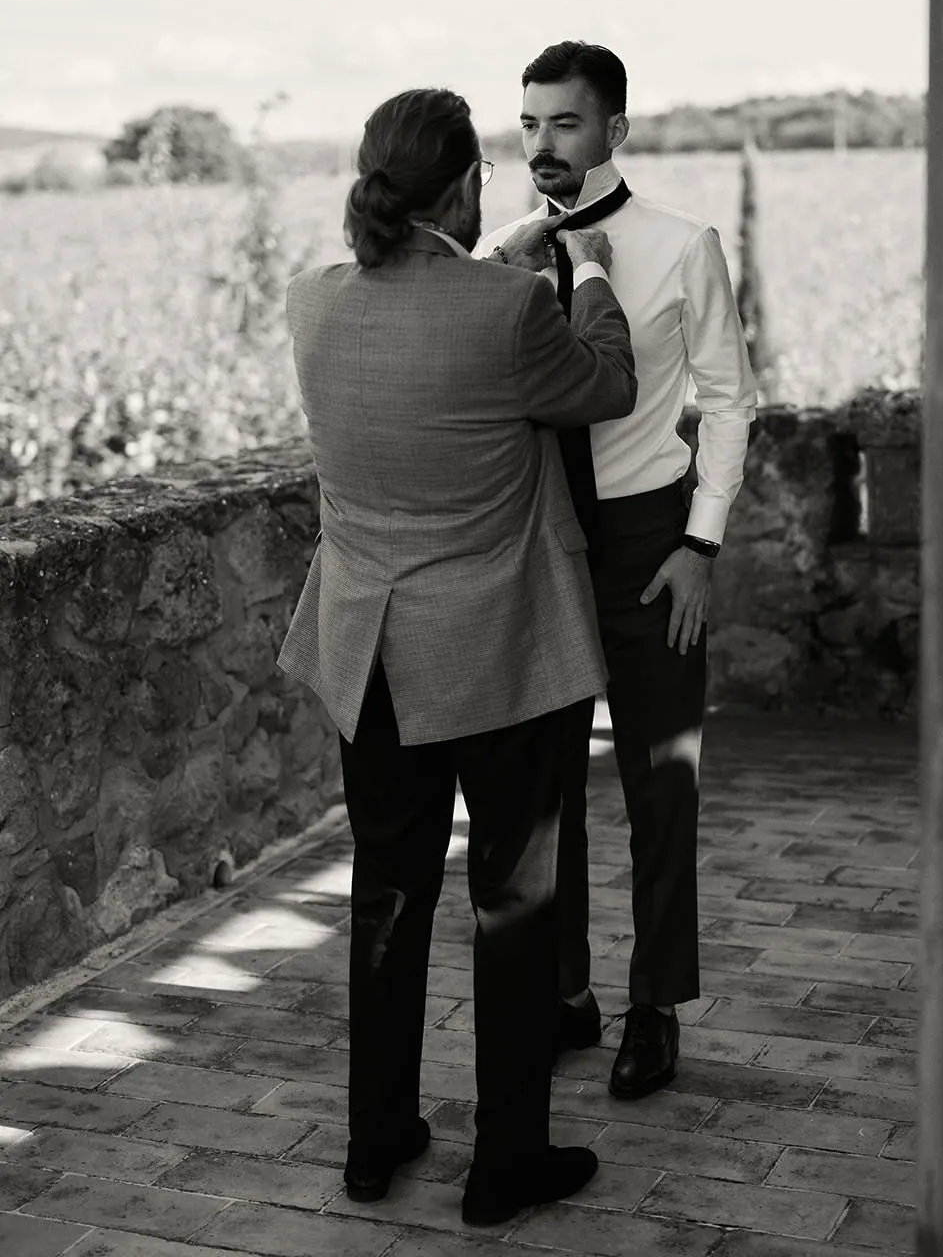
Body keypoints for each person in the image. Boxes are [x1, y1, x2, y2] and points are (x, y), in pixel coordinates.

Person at [276, 87, 636, 1227]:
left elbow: (427, 317)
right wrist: (588, 279)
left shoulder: (312, 303)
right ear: (467, 184)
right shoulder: (510, 308)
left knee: (386, 897)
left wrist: (499, 261)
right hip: (496, 654)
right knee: (511, 905)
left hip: (368, 653)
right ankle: (505, 1162)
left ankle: (375, 1138)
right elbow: (603, 383)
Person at [476, 42, 757, 1101]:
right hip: (541, 545)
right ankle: (565, 996)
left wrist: (700, 543)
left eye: (564, 123)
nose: (542, 143)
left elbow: (727, 402)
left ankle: (652, 1004)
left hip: (650, 545)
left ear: (614, 131)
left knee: (660, 784)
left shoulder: (684, 247)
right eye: (529, 124)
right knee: (545, 793)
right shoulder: (499, 256)